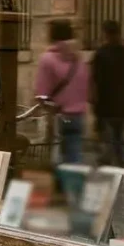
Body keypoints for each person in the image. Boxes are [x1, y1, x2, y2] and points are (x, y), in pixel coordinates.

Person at [34, 19, 90, 164]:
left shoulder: (47, 59)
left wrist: (42, 109)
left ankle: (60, 184)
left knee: (54, 156)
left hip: (57, 114)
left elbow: (42, 93)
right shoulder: (78, 58)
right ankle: (74, 184)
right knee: (74, 154)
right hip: (78, 114)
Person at [89, 20, 124, 166]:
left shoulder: (100, 54)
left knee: (108, 138)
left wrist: (94, 102)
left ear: (105, 34)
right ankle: (120, 162)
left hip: (105, 104)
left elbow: (95, 80)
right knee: (118, 137)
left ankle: (109, 163)